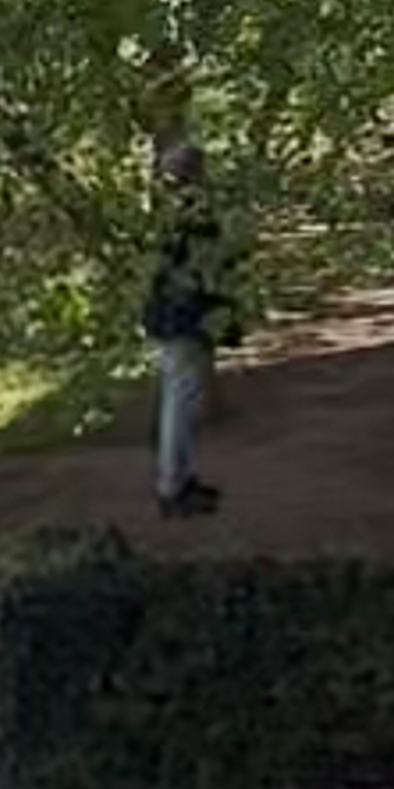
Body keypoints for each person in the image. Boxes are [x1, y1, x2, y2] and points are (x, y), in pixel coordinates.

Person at [141, 135, 225, 517]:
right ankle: (173, 487)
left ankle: (182, 478)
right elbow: (203, 268)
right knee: (181, 400)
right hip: (184, 315)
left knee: (183, 399)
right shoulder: (191, 211)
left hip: (172, 312)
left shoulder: (160, 210)